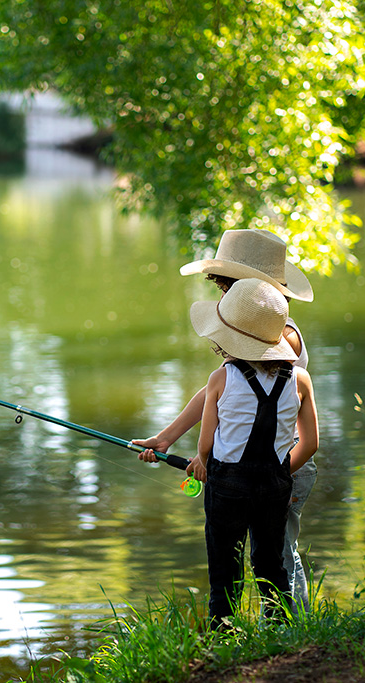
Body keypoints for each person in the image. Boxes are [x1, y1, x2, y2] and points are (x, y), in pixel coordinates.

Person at [134, 229, 319, 613]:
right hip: (251, 469)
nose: (221, 294)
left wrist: (275, 472)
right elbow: (214, 394)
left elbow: (283, 417)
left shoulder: (279, 336)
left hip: (284, 462)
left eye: (227, 286)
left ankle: (296, 627)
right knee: (261, 556)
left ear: (252, 288)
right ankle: (277, 629)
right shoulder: (247, 333)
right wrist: (166, 438)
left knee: (279, 555)